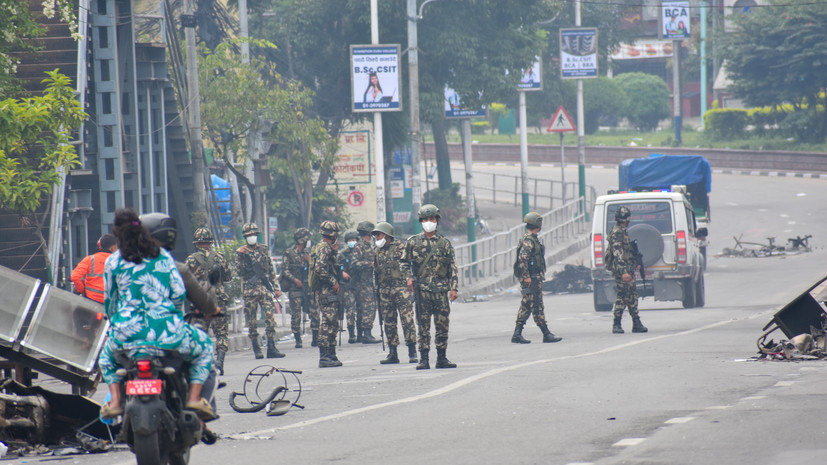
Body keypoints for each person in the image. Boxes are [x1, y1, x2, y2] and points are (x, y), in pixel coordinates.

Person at [97, 208, 214, 420]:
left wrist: (117, 322)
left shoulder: (113, 261)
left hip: (126, 334)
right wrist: (170, 312)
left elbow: (110, 300)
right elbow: (178, 293)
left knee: (106, 357)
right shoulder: (162, 257)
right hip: (167, 332)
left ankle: (114, 401)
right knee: (205, 347)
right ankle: (195, 398)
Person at [401, 204, 459, 370]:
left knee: (442, 325)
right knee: (423, 327)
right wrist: (409, 279)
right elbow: (404, 263)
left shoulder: (444, 244)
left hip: (440, 292)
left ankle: (442, 358)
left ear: (437, 220)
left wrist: (454, 288)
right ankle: (424, 358)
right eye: (425, 219)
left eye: (432, 219)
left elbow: (452, 267)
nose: (429, 222)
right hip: (422, 291)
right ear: (421, 221)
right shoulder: (413, 242)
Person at [186, 228, 233, 375]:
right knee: (222, 333)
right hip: (218, 299)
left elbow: (185, 280)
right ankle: (220, 362)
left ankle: (204, 364)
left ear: (196, 243)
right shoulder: (220, 257)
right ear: (210, 242)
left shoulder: (191, 259)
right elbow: (228, 277)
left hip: (201, 300)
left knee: (200, 333)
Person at [511, 212, 562, 344]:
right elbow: (523, 259)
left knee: (527, 305)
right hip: (531, 279)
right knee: (536, 305)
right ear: (537, 225)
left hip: (534, 278)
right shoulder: (529, 240)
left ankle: (518, 334)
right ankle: (545, 333)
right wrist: (527, 277)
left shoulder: (531, 238)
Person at [236, 222, 285, 360]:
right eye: (249, 235)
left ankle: (271, 347)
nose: (252, 237)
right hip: (249, 291)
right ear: (245, 237)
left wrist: (276, 288)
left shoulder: (263, 249)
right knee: (251, 320)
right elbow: (239, 272)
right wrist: (242, 258)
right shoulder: (241, 252)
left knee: (270, 317)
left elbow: (270, 270)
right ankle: (256, 348)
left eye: (253, 234)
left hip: (264, 289)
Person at [373, 222, 417, 364]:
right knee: (389, 323)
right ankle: (393, 353)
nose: (376, 237)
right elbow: (376, 271)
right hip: (385, 291)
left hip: (402, 289)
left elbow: (411, 264)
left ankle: (412, 351)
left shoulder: (402, 247)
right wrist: (376, 290)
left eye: (378, 234)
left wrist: (412, 281)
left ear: (386, 234)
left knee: (407, 320)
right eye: (375, 235)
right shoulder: (377, 251)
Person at [606, 206, 648, 334]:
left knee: (630, 295)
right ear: (627, 219)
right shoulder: (617, 232)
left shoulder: (621, 231)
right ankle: (618, 323)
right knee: (624, 295)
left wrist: (634, 265)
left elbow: (625, 252)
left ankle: (635, 322)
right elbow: (618, 253)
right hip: (622, 270)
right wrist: (624, 271)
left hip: (626, 268)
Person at [312, 221, 343, 368]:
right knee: (327, 322)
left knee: (333, 322)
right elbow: (320, 269)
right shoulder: (324, 248)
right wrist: (333, 282)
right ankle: (324, 356)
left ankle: (331, 353)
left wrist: (334, 251)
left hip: (328, 290)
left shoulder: (327, 248)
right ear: (334, 235)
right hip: (326, 290)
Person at [281, 227, 319, 348]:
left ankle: (315, 337)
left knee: (314, 312)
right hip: (295, 288)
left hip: (309, 287)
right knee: (296, 314)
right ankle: (298, 339)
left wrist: (310, 261)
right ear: (302, 240)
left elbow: (317, 268)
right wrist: (294, 279)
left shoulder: (309, 253)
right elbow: (284, 270)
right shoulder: (289, 252)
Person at [352, 221, 382, 344]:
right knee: (368, 308)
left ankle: (360, 334)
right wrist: (369, 264)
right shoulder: (360, 246)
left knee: (362, 308)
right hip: (363, 283)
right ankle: (366, 334)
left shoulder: (369, 246)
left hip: (368, 282)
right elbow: (354, 263)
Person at [71, 234, 118, 303]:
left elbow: (75, 277)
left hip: (91, 301)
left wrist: (80, 290)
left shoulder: (90, 259)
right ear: (113, 248)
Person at [338, 230, 359, 343]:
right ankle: (352, 334)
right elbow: (338, 268)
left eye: (354, 240)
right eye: (350, 240)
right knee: (350, 310)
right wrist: (342, 273)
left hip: (360, 285)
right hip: (348, 286)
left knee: (361, 310)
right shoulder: (343, 254)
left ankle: (362, 333)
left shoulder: (361, 252)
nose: (352, 242)